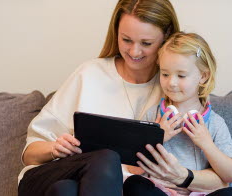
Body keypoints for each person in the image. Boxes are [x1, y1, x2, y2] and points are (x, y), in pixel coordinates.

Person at [17, 0, 181, 195]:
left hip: (83, 188)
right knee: (106, 158)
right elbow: (30, 155)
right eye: (126, 40)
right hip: (45, 178)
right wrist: (54, 148)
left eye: (146, 43)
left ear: (166, 37)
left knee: (65, 191)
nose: (134, 52)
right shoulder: (89, 74)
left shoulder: (173, 89)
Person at [123, 32, 232, 196]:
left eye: (181, 75)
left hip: (199, 193)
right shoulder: (153, 115)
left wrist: (206, 143)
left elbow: (231, 174)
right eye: (165, 74)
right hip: (160, 191)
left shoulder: (215, 123)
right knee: (134, 184)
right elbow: (133, 168)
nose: (171, 82)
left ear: (203, 76)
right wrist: (158, 137)